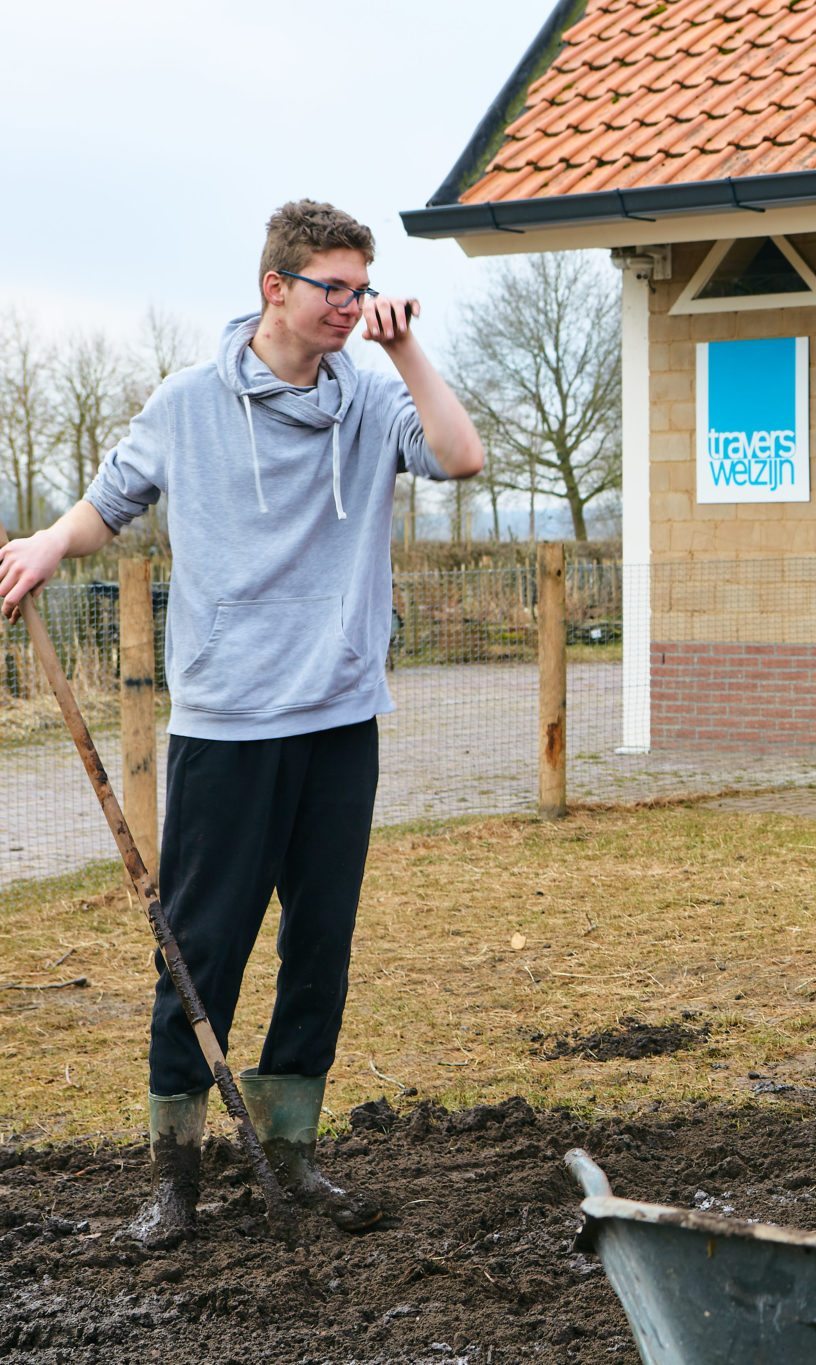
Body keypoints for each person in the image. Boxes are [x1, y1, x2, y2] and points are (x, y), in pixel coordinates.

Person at [0, 199, 484, 1246]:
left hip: (339, 718)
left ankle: (294, 1149)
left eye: (363, 289)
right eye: (335, 289)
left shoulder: (369, 400)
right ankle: (175, 1172)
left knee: (320, 943)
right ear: (277, 287)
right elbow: (110, 500)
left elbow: (460, 459)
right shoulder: (187, 403)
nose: (352, 307)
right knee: (202, 945)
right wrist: (47, 543)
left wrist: (410, 354)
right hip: (225, 725)